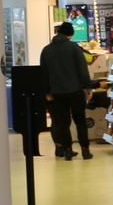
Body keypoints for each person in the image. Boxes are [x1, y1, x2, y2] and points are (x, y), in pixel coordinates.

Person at [40, 20, 93, 160]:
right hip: (75, 91)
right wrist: (88, 87)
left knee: (63, 123)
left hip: (56, 93)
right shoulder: (74, 48)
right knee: (80, 121)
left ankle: (68, 151)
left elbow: (43, 74)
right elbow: (83, 70)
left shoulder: (46, 50)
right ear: (70, 34)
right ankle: (85, 150)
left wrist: (47, 92)